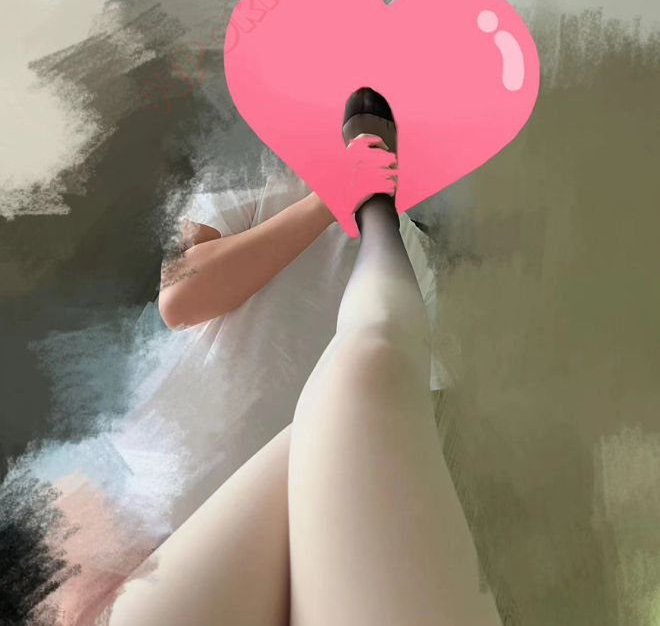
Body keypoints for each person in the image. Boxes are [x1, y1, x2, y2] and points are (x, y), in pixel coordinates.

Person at [100, 87, 502, 626]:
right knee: (370, 359)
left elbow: (419, 418)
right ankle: (374, 214)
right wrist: (330, 198)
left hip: (320, 534)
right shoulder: (245, 176)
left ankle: (377, 218)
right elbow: (180, 299)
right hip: (173, 523)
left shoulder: (424, 261)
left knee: (376, 366)